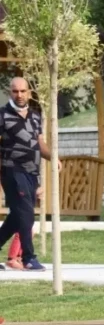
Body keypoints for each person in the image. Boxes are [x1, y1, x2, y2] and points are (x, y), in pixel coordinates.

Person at [0, 77, 51, 272]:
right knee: (26, 215)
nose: (19, 95)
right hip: (12, 170)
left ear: (29, 92)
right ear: (10, 92)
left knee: (17, 217)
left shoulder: (35, 116)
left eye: (23, 91)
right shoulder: (3, 115)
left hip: (32, 172)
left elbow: (39, 143)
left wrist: (53, 157)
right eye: (15, 91)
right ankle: (29, 258)